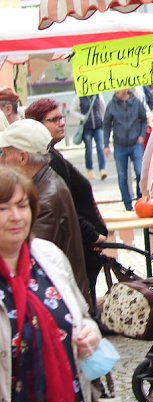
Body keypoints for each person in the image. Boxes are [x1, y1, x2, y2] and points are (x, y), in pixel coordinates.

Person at [0, 166, 101, 402]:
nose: (16, 216)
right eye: (3, 208)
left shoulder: (48, 257)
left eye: (22, 206)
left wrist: (90, 334)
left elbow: (82, 317)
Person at [0, 120, 92, 308]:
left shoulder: (45, 197)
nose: (2, 160)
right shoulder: (43, 183)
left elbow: (23, 256)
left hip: (57, 304)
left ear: (23, 158)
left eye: (5, 154)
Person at [26, 99, 108, 307]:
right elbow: (66, 208)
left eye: (61, 117)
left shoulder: (53, 155)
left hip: (85, 245)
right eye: (54, 120)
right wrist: (94, 236)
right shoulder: (46, 161)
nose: (62, 122)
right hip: (81, 245)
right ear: (37, 126)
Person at [103, 89, 148, 211]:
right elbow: (106, 124)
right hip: (120, 145)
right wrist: (106, 144)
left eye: (119, 88)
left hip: (135, 143)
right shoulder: (111, 105)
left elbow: (144, 119)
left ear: (126, 89)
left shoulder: (136, 102)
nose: (116, 91)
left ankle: (140, 200)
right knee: (122, 176)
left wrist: (142, 135)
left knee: (140, 172)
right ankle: (127, 204)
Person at [76, 94, 107, 180]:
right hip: (87, 127)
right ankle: (90, 170)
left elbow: (103, 107)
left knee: (100, 147)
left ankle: (102, 169)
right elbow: (71, 110)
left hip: (98, 125)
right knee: (89, 149)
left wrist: (103, 119)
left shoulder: (97, 94)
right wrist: (82, 117)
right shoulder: (79, 96)